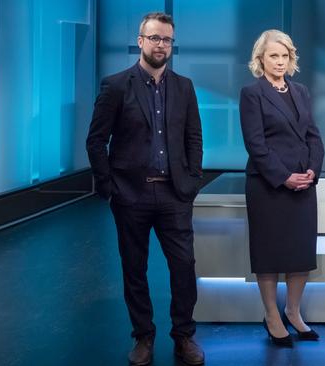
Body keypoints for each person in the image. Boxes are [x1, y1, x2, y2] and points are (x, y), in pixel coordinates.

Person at [85, 12, 205, 366]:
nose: (160, 45)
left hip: (174, 194)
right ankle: (143, 337)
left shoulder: (184, 87)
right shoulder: (116, 85)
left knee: (183, 267)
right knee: (134, 269)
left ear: (172, 44)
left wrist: (193, 180)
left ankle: (183, 336)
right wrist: (109, 188)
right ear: (140, 41)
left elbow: (194, 138)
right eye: (154, 38)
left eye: (166, 39)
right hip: (131, 194)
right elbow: (96, 141)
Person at [239, 29, 325, 347]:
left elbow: (313, 135)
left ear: (291, 59)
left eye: (284, 56)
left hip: (303, 184)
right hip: (268, 186)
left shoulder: (300, 91)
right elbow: (255, 145)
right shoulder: (252, 93)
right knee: (270, 254)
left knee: (300, 253)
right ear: (261, 59)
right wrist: (285, 176)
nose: (279, 61)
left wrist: (312, 171)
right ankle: (272, 316)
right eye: (273, 55)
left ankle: (293, 311)